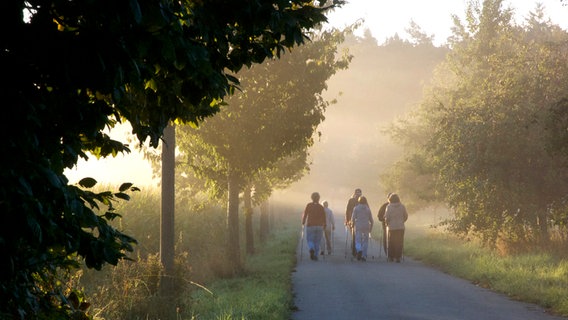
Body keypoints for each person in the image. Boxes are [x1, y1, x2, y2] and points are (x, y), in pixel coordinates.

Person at [302, 192, 326, 261]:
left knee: (310, 239)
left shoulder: (309, 205)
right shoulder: (321, 207)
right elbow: (324, 217)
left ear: (312, 198)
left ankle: (311, 248)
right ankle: (315, 254)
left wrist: (303, 222)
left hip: (310, 225)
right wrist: (325, 224)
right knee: (317, 241)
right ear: (319, 198)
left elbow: (305, 214)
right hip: (319, 226)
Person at [384, 193, 408, 263]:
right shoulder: (402, 206)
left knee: (391, 242)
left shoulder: (389, 207)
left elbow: (387, 217)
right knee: (399, 242)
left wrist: (387, 223)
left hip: (392, 227)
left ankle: (391, 256)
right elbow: (406, 216)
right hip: (400, 227)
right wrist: (402, 221)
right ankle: (398, 257)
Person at [351, 196, 373, 261]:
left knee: (358, 240)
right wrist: (371, 227)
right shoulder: (368, 209)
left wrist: (352, 225)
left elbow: (353, 218)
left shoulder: (356, 208)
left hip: (358, 226)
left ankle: (359, 250)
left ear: (359, 201)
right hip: (366, 226)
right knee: (365, 241)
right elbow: (371, 220)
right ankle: (364, 255)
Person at [345, 188, 362, 257]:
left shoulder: (362, 200)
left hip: (359, 220)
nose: (358, 195)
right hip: (352, 221)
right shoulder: (351, 200)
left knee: (356, 236)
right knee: (355, 236)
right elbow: (347, 210)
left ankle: (356, 250)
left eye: (359, 193)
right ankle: (355, 250)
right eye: (357, 193)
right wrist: (347, 220)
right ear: (355, 193)